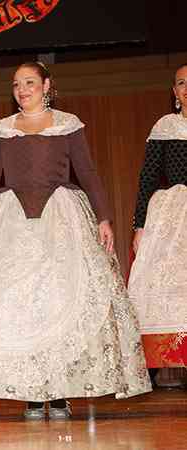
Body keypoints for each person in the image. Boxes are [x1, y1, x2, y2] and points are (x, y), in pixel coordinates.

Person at [0, 62, 152, 419]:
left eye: (30, 82)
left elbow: (88, 171)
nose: (22, 90)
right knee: (25, 307)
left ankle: (58, 392)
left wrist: (103, 217)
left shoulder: (68, 124)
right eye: (17, 84)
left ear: (46, 85)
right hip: (12, 223)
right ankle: (33, 394)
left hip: (61, 219)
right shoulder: (2, 129)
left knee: (60, 301)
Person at [129, 63, 187, 373]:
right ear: (175, 92)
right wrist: (139, 225)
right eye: (181, 83)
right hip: (172, 215)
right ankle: (168, 360)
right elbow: (148, 179)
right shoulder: (165, 127)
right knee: (167, 286)